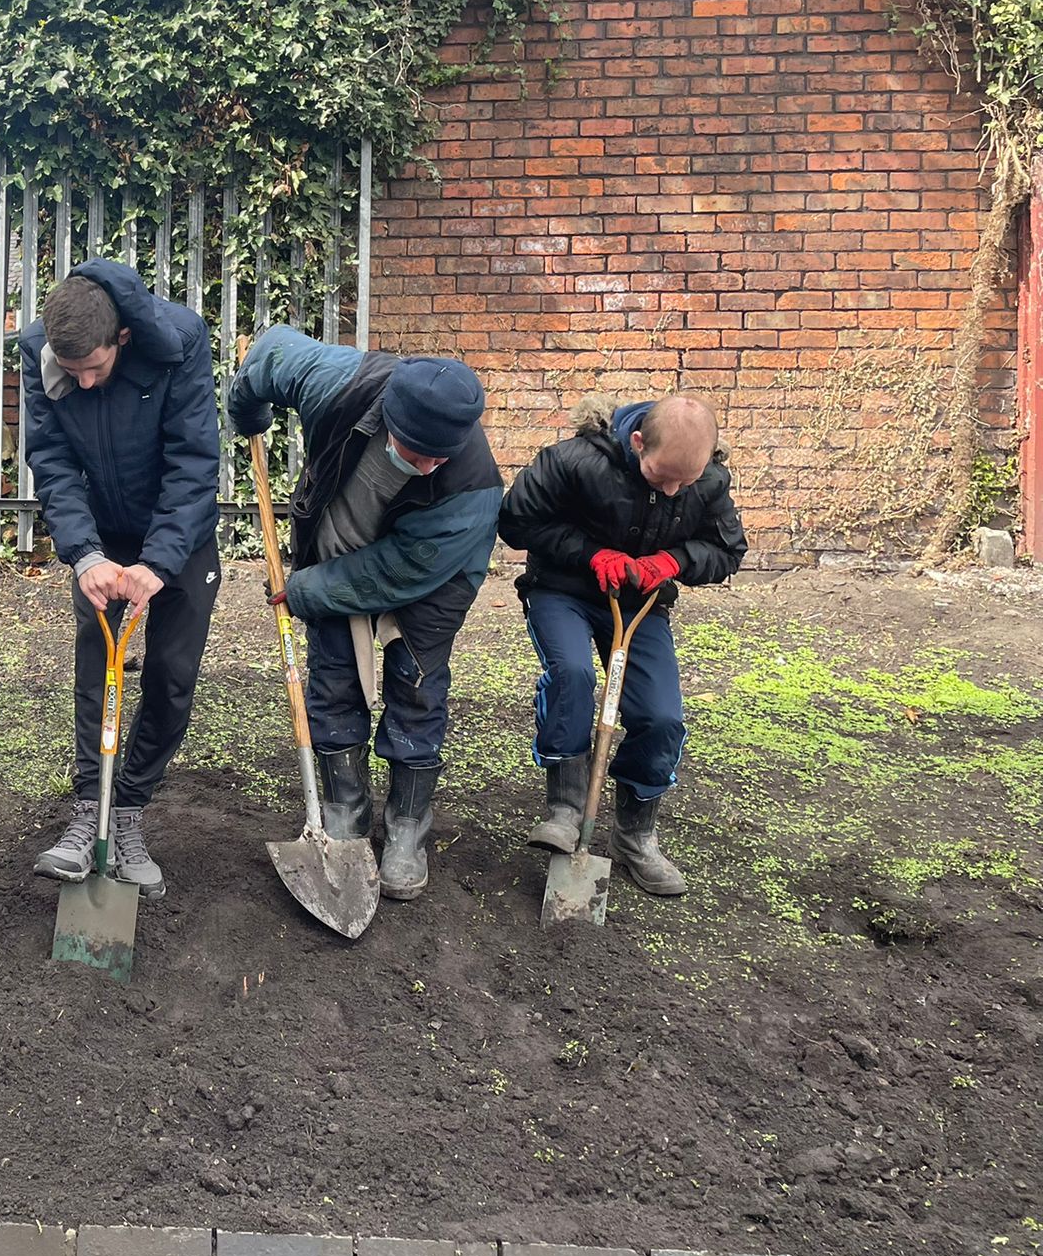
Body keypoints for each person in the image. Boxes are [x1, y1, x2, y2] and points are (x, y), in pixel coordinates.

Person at [227, 326, 502, 901]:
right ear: (390, 418)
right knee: (334, 676)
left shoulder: (472, 487)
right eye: (416, 451)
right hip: (339, 544)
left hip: (433, 577)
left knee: (416, 684)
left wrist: (306, 590)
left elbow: (398, 571)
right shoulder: (340, 383)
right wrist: (246, 411)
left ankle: (407, 826)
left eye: (440, 455)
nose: (428, 464)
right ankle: (344, 811)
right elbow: (270, 354)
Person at [19, 257, 220, 900]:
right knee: (95, 666)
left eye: (94, 369)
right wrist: (85, 555)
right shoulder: (41, 351)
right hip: (102, 537)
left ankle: (127, 808)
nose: (81, 382)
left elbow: (193, 463)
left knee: (171, 675)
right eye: (69, 370)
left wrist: (158, 563)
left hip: (180, 533)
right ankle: (90, 809)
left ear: (123, 338)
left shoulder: (180, 344)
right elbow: (51, 461)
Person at [496, 393, 746, 895]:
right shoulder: (574, 461)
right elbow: (517, 523)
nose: (673, 489)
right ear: (637, 444)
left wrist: (674, 561)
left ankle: (635, 835)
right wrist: (592, 554)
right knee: (573, 675)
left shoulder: (708, 481)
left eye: (685, 482)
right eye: (661, 476)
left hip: (639, 603)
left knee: (662, 717)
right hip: (562, 590)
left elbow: (727, 551)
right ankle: (566, 810)